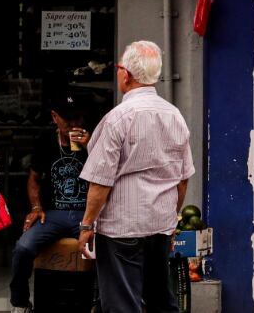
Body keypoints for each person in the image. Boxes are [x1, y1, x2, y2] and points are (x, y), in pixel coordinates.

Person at [78, 41, 195, 313]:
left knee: (122, 304)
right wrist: (171, 216)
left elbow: (100, 182)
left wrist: (86, 226)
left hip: (122, 228)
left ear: (126, 74)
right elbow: (183, 177)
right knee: (160, 299)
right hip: (160, 226)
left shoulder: (117, 118)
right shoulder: (174, 115)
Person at [10, 94, 92, 313]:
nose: (75, 124)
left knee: (106, 250)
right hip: (54, 214)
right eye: (68, 119)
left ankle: (99, 302)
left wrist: (90, 146)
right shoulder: (46, 141)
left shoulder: (94, 140)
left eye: (78, 118)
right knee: (23, 247)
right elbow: (34, 179)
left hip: (87, 213)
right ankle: (20, 302)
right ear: (55, 117)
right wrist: (36, 207)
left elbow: (106, 175)